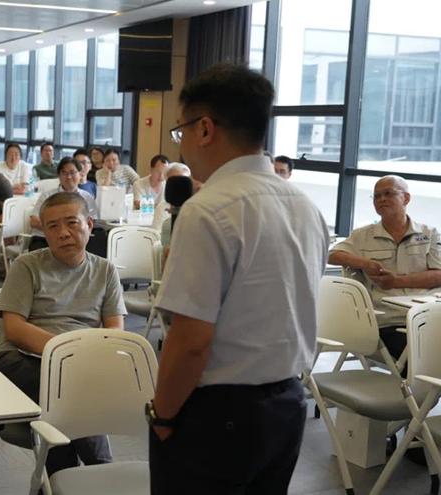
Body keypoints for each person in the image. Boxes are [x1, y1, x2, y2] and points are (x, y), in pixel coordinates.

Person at [149, 64, 329, 494]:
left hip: (219, 413)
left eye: (181, 130)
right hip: (287, 403)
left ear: (205, 129)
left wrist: (163, 415)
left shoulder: (207, 209)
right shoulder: (306, 206)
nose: (181, 142)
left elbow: (191, 341)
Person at [0, 192, 126, 475]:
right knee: (69, 388)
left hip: (80, 365)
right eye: (53, 226)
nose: (63, 233)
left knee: (62, 405)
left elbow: (115, 332)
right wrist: (66, 353)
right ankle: (102, 471)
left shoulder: (105, 271)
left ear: (89, 225)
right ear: (43, 231)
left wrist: (78, 358)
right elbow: (14, 328)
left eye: (72, 223)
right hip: (23, 359)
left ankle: (57, 483)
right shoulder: (27, 265)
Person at [328, 175, 441, 360]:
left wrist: (396, 281)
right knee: (426, 357)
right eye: (376, 196)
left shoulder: (429, 233)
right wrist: (365, 263)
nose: (381, 199)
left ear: (406, 198)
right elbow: (332, 255)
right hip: (388, 319)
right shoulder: (362, 236)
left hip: (428, 316)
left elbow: (438, 275)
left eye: (388, 193)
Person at [28, 157, 98, 251]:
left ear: (80, 174)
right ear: (59, 176)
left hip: (78, 239)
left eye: (72, 173)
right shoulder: (47, 196)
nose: (68, 177)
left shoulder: (87, 197)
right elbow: (34, 221)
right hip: (45, 238)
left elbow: (93, 221)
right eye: (64, 173)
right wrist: (57, 230)